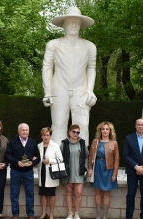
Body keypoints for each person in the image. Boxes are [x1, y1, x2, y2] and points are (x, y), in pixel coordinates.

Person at [42, 6, 97, 145]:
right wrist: (47, 92)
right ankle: (58, 160)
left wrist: (90, 90)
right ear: (64, 24)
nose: (74, 25)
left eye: (77, 22)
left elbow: (91, 68)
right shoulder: (53, 45)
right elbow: (47, 67)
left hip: (81, 89)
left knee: (82, 125)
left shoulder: (90, 46)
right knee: (59, 124)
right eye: (70, 21)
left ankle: (81, 161)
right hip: (59, 88)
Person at [5, 123, 41, 219]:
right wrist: (16, 162)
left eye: (26, 130)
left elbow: (38, 157)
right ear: (18, 131)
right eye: (23, 130)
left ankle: (30, 214)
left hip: (28, 172)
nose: (25, 132)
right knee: (14, 193)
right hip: (16, 171)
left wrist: (32, 162)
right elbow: (7, 155)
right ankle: (15, 214)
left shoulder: (33, 142)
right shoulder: (12, 142)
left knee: (30, 193)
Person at [88, 121, 119, 219]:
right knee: (97, 192)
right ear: (100, 130)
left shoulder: (114, 143)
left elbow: (117, 159)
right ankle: (98, 215)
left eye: (107, 129)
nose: (105, 131)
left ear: (110, 131)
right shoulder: (95, 142)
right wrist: (90, 168)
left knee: (106, 192)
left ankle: (105, 216)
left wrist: (115, 173)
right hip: (97, 167)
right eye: (103, 129)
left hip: (108, 169)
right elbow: (90, 156)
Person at [60, 124, 88, 219]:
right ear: (69, 132)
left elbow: (86, 157)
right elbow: (60, 157)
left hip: (79, 172)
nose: (76, 134)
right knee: (68, 193)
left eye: (78, 132)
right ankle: (70, 213)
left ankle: (77, 213)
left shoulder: (82, 143)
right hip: (68, 173)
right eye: (74, 132)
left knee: (78, 193)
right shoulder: (64, 143)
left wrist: (85, 168)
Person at [36, 127, 63, 219]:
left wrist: (50, 160)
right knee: (43, 194)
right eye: (44, 135)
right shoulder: (38, 146)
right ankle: (44, 213)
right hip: (42, 172)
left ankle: (51, 214)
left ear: (50, 135)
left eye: (48, 135)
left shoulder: (55, 146)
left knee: (51, 194)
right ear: (41, 136)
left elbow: (60, 160)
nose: (46, 137)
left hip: (51, 174)